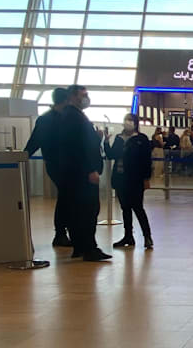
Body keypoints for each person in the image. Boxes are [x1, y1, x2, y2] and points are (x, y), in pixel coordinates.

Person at [58, 85, 111, 262]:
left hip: (74, 173)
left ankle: (80, 246)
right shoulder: (74, 117)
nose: (87, 98)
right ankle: (89, 248)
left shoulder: (70, 116)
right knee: (88, 211)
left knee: (78, 211)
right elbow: (78, 147)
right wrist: (90, 169)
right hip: (82, 174)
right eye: (84, 95)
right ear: (73, 96)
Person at [25, 88, 72, 247]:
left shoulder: (51, 119)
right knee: (66, 196)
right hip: (58, 165)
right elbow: (34, 143)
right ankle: (60, 233)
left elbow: (33, 143)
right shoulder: (49, 119)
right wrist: (23, 157)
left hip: (61, 164)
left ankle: (64, 232)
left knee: (67, 197)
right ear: (65, 101)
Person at [104, 114, 153, 249]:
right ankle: (128, 236)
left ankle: (147, 236)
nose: (128, 123)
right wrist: (106, 142)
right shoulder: (119, 139)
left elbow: (146, 161)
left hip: (135, 179)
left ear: (136, 123)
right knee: (125, 208)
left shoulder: (141, 140)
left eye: (131, 121)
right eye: (126, 120)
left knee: (138, 207)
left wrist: (146, 178)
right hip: (121, 178)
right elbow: (112, 155)